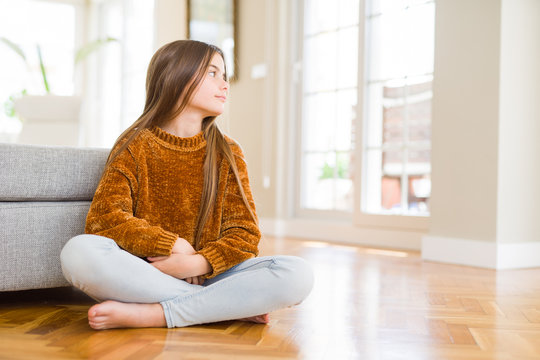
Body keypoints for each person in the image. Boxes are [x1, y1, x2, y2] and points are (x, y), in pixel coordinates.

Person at [60, 40, 314, 330]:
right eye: (213, 73)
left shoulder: (227, 152)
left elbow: (244, 234)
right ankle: (221, 306)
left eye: (224, 74)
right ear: (177, 76)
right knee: (78, 252)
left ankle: (156, 314)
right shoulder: (135, 144)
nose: (225, 84)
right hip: (147, 272)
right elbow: (105, 220)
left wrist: (197, 263)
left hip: (212, 273)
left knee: (297, 273)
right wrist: (173, 245)